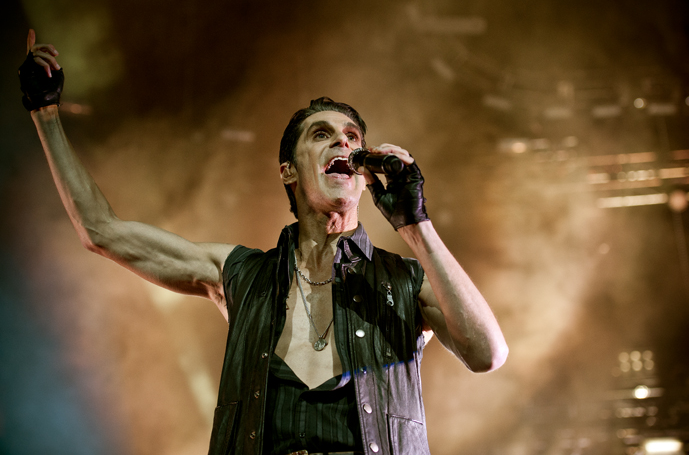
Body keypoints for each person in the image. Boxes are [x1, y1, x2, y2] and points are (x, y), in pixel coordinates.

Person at [20, 29, 508, 455]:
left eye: (352, 136)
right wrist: (46, 115)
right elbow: (101, 231)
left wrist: (415, 223)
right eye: (322, 134)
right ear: (289, 171)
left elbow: (487, 353)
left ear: (362, 177)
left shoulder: (404, 280)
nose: (344, 143)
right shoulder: (240, 274)